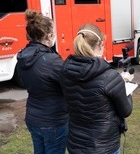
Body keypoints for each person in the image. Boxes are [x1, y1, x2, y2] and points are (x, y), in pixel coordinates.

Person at [59, 23, 133, 154]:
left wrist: (119, 83)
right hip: (105, 146)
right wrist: (127, 89)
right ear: (100, 45)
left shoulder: (65, 70)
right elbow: (126, 110)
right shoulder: (109, 76)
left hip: (76, 144)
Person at [17, 9, 68, 154]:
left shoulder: (22, 56)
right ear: (50, 35)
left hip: (33, 117)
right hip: (53, 121)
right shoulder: (51, 61)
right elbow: (70, 83)